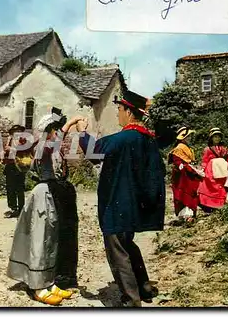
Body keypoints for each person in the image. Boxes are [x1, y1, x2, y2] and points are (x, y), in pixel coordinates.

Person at [73, 90, 166, 307]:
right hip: (135, 205)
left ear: (129, 112)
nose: (118, 115)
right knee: (128, 245)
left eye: (119, 110)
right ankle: (144, 288)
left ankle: (131, 301)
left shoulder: (123, 138)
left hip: (117, 203)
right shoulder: (148, 139)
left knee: (117, 251)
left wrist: (83, 133)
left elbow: (93, 153)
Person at [7, 107, 77, 306]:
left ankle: (49, 280)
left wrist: (67, 125)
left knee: (51, 239)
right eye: (54, 129)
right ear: (48, 130)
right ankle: (38, 285)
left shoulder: (52, 146)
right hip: (42, 194)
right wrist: (69, 123)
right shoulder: (42, 145)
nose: (57, 133)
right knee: (40, 239)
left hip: (52, 193)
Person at [168, 126, 204, 222]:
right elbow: (176, 160)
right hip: (182, 175)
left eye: (190, 136)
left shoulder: (188, 148)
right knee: (183, 192)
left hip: (188, 172)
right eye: (187, 137)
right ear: (183, 138)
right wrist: (180, 165)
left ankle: (190, 213)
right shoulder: (179, 148)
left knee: (191, 191)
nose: (189, 138)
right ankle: (185, 215)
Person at [197, 128, 228, 212]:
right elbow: (205, 161)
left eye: (218, 137)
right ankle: (209, 204)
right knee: (211, 185)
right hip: (211, 169)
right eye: (215, 137)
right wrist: (202, 170)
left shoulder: (224, 148)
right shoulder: (207, 149)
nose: (217, 139)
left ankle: (220, 203)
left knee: (221, 185)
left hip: (222, 169)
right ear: (211, 138)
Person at [3, 124, 32, 218]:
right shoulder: (10, 140)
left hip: (20, 166)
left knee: (19, 188)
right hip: (10, 166)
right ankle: (13, 208)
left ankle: (21, 209)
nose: (16, 133)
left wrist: (11, 149)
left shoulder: (23, 141)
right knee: (10, 188)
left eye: (18, 131)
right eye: (15, 132)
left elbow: (26, 151)